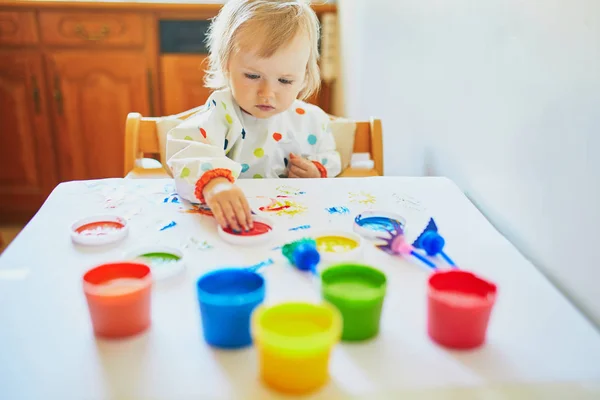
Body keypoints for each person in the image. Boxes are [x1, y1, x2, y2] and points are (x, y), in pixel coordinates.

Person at [166, 0, 341, 232]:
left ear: (305, 76)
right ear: (227, 65)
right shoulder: (222, 112)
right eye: (252, 76)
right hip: (230, 224)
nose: (267, 94)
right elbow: (187, 149)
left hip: (291, 225)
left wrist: (317, 171)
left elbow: (332, 158)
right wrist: (215, 184)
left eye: (285, 81)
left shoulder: (311, 120)